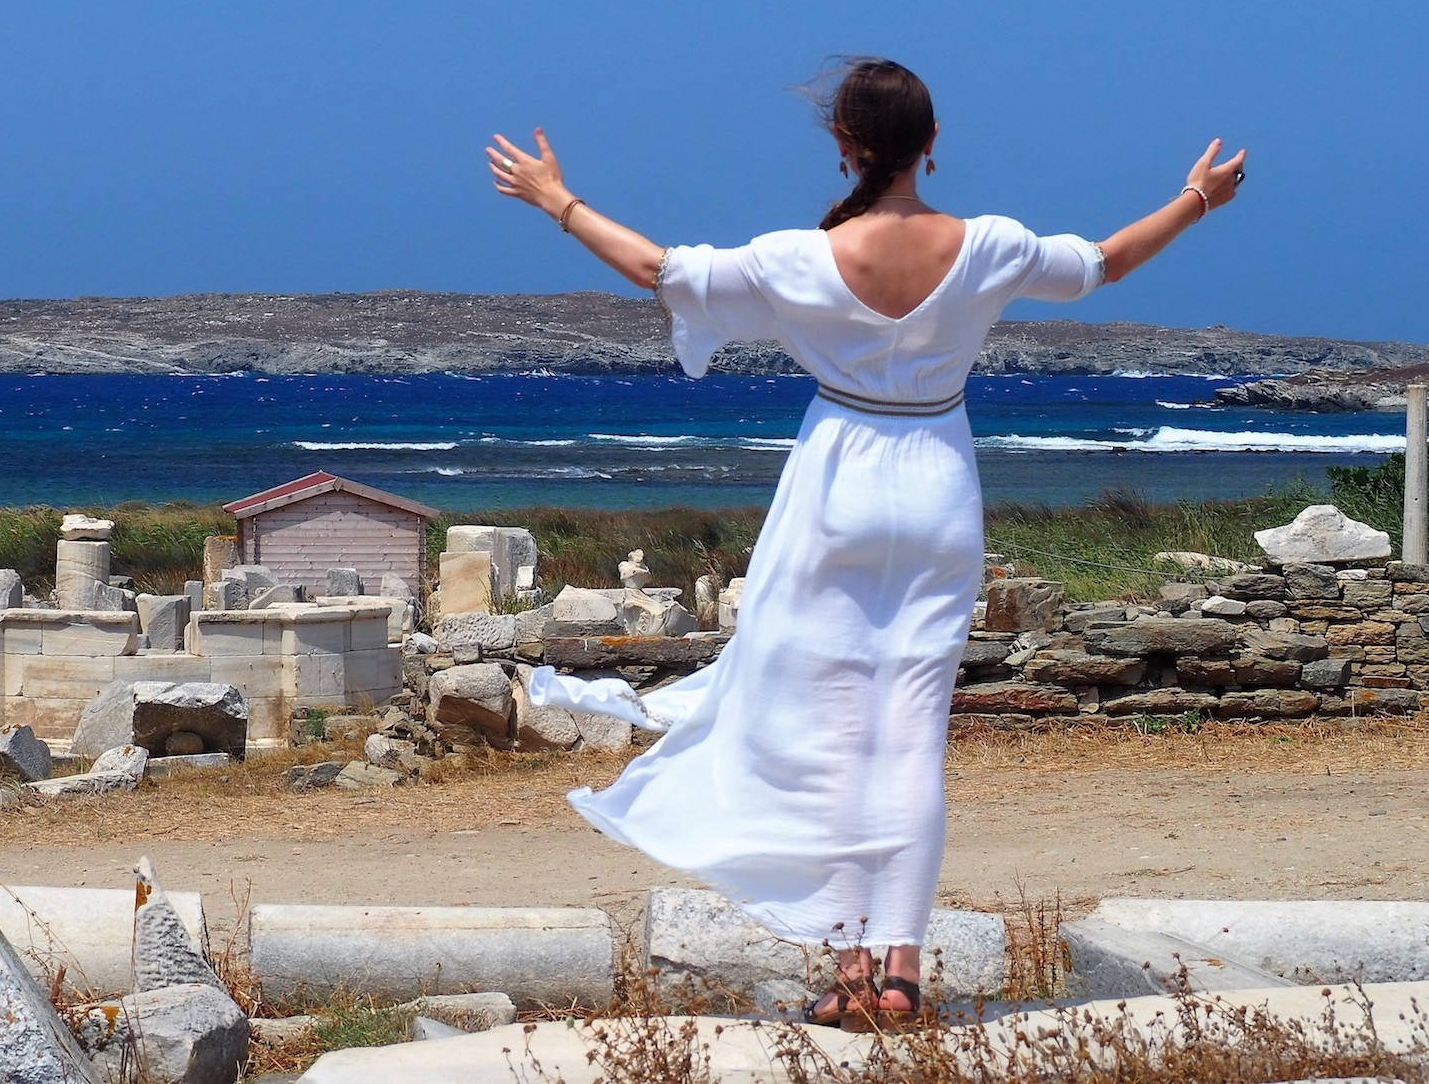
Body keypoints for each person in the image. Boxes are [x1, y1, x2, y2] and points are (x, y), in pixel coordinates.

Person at [483, 58, 1245, 1030]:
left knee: (834, 736)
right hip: (937, 489)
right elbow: (1104, 262)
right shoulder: (990, 246)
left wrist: (555, 199)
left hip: (837, 485)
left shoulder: (797, 259)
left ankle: (849, 969)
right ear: (930, 144)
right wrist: (1196, 198)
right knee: (910, 737)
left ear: (844, 146)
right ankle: (902, 972)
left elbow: (657, 271)